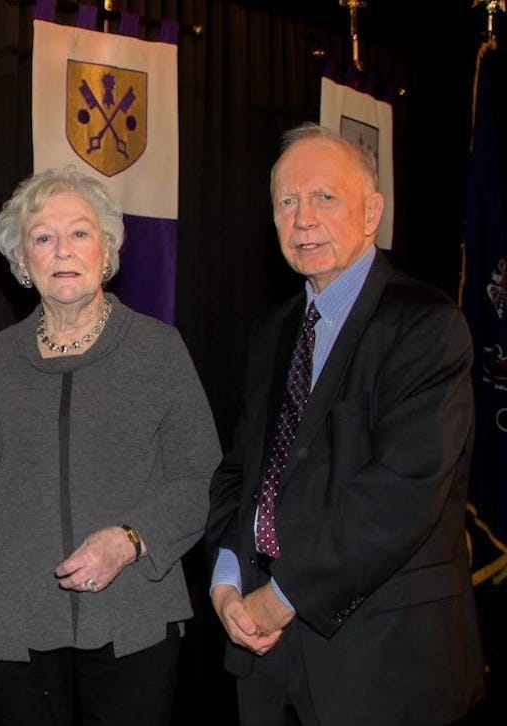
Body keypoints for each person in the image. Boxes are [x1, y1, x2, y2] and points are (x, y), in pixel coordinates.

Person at [205, 123, 485, 724]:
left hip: (385, 665)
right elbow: (241, 474)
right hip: (266, 662)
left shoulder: (426, 327)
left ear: (371, 212)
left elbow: (399, 495)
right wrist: (226, 578)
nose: (302, 218)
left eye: (324, 198)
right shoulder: (272, 334)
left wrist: (282, 598)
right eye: (287, 202)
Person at [0, 167, 219, 724]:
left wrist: (130, 540)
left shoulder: (158, 350)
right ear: (22, 261)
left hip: (133, 624)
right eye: (43, 237)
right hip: (12, 633)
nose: (62, 250)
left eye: (79, 233)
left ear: (108, 248)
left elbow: (200, 479)